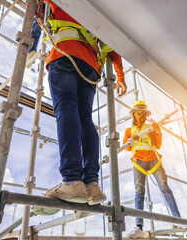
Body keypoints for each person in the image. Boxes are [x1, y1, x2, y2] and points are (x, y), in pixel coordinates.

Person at [39, 0, 127, 206]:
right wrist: (120, 77)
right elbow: (114, 49)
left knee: (66, 108)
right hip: (90, 66)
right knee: (85, 119)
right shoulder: (98, 12)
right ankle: (91, 184)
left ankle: (71, 180)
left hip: (65, 53)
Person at [123, 100, 181, 238]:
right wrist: (133, 139)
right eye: (138, 113)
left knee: (164, 187)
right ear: (134, 115)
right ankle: (139, 227)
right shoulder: (129, 130)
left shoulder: (150, 127)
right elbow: (128, 147)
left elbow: (157, 145)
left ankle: (177, 220)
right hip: (138, 162)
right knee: (139, 193)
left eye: (142, 113)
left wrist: (157, 130)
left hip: (154, 160)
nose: (140, 116)